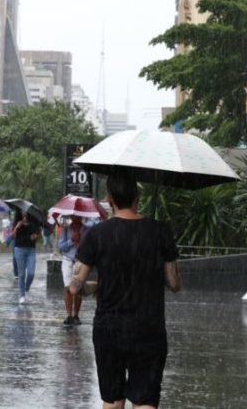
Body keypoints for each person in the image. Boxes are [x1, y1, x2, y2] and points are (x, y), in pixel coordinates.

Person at [70, 173, 181, 409]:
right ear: (138, 196)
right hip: (148, 328)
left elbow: (75, 286)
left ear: (109, 199)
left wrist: (95, 288)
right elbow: (173, 284)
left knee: (112, 398)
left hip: (109, 330)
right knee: (145, 400)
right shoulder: (159, 231)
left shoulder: (97, 234)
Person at [59, 215, 91, 326]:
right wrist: (72, 240)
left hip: (80, 261)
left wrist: (80, 243)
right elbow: (61, 247)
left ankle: (76, 314)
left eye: (78, 215)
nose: (75, 217)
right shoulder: (65, 229)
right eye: (73, 215)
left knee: (77, 289)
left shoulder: (87, 229)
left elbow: (90, 246)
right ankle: (69, 315)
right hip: (67, 260)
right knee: (68, 288)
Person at [12, 213, 41, 304]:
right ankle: (22, 295)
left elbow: (38, 235)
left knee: (31, 273)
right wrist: (17, 226)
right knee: (21, 274)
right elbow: (12, 236)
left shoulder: (33, 224)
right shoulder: (17, 223)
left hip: (31, 250)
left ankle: (26, 289)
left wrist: (35, 237)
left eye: (25, 213)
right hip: (19, 249)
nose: (24, 215)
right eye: (22, 212)